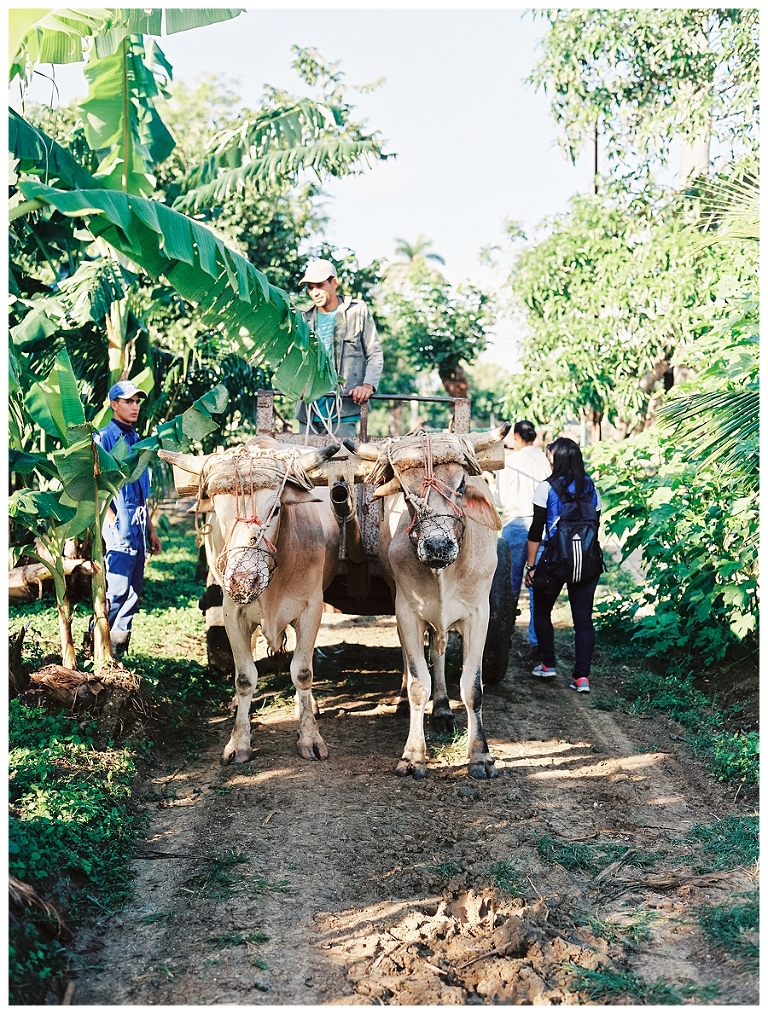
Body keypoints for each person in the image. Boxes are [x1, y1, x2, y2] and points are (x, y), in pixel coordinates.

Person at [524, 437, 602, 693]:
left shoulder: (545, 488)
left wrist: (531, 566)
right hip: (587, 563)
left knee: (542, 611)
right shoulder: (592, 488)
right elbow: (595, 527)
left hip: (555, 561)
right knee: (583, 621)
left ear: (556, 460)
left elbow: (536, 531)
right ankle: (582, 678)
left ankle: (548, 664)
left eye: (550, 457)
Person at [97, 380, 162, 657]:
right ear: (114, 404)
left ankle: (118, 654)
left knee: (133, 592)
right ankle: (98, 649)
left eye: (137, 401)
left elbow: (141, 493)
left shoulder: (137, 441)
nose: (135, 406)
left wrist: (151, 530)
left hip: (137, 523)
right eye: (128, 401)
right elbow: (95, 483)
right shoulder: (104, 438)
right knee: (117, 590)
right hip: (119, 523)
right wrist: (111, 520)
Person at [295, 259, 383, 436]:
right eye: (310, 288)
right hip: (309, 412)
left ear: (334, 283)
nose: (314, 293)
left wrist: (367, 386)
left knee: (344, 462)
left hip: (344, 411)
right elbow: (296, 360)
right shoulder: (304, 319)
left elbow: (375, 354)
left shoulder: (357, 311)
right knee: (306, 462)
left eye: (319, 285)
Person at [498, 420, 551, 657]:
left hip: (515, 524)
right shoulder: (546, 460)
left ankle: (503, 635)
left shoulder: (509, 461)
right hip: (542, 528)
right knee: (536, 588)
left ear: (517, 436)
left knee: (508, 589)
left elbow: (500, 501)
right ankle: (537, 643)